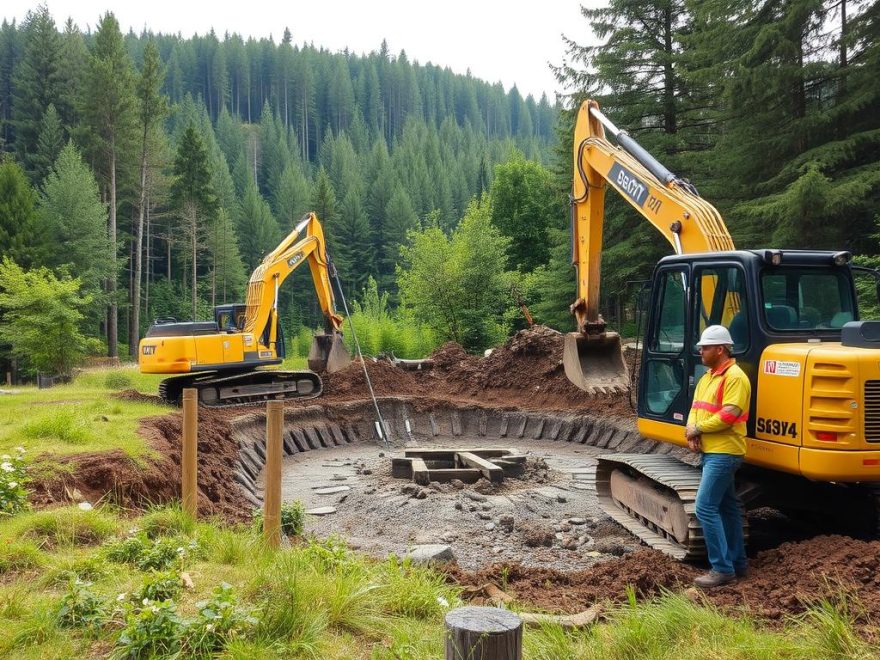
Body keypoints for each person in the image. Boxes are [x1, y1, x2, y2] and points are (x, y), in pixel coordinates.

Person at [686, 324, 750, 588]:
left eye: (706, 347)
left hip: (725, 452)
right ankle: (738, 563)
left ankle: (722, 569)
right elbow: (696, 408)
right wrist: (692, 432)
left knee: (704, 507)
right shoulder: (707, 377)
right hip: (711, 451)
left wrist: (698, 429)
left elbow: (729, 415)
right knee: (727, 508)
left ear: (720, 349)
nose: (701, 351)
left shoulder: (735, 377)